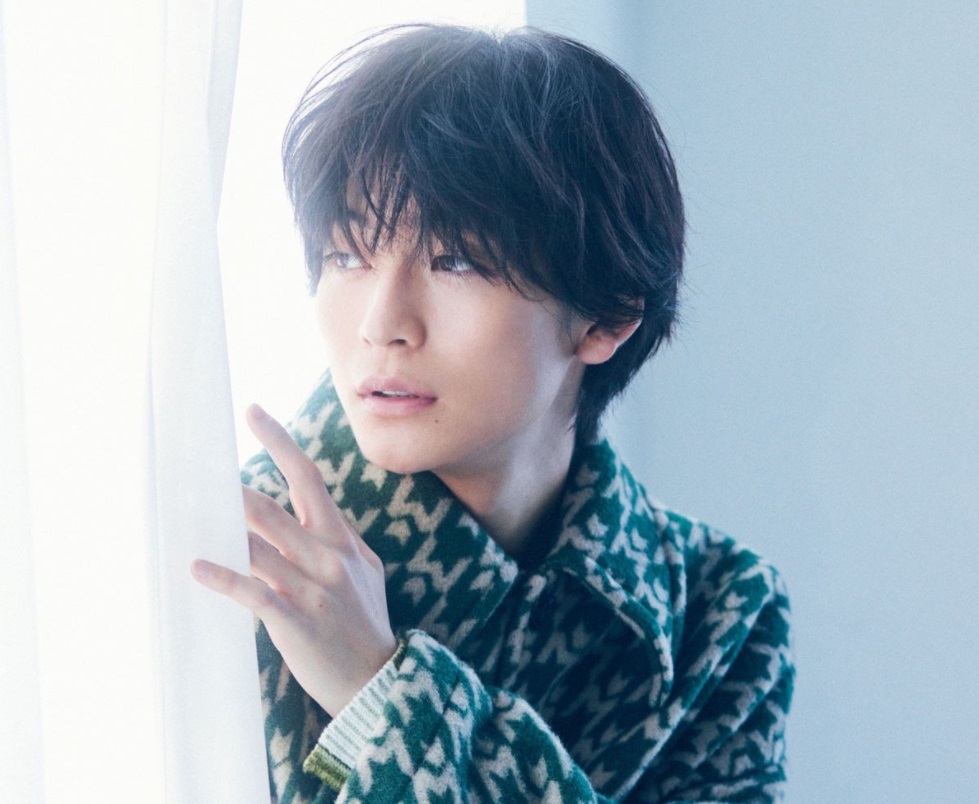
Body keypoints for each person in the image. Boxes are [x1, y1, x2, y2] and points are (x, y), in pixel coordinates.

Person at [192, 23, 793, 803]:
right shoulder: (229, 557)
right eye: (347, 255)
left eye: (456, 261)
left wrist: (383, 697)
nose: (381, 323)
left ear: (607, 315)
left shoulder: (718, 614)